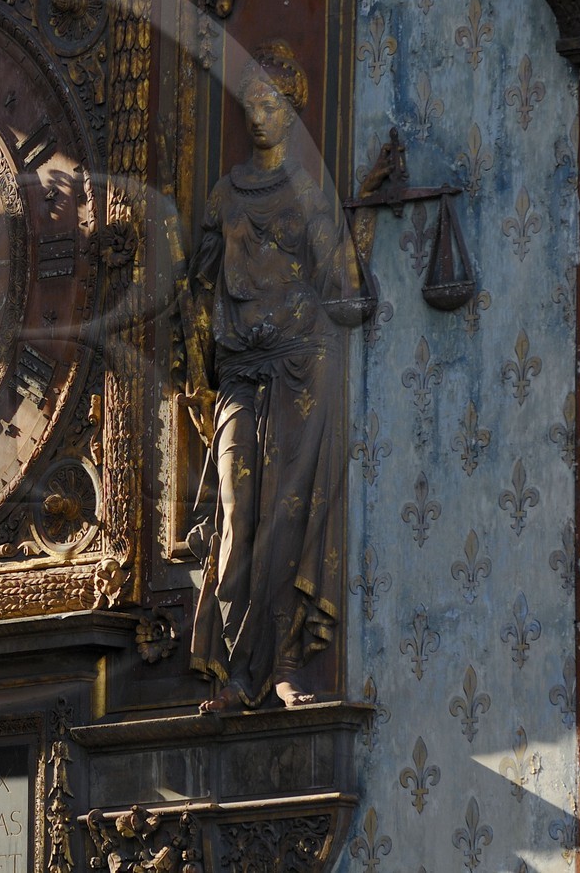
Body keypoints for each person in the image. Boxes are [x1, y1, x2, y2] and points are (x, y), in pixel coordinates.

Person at [185, 41, 376, 712]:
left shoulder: (308, 191)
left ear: (291, 114)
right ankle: (236, 663)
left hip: (304, 366)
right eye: (252, 105)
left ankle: (275, 667)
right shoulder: (225, 194)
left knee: (284, 527)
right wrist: (196, 365)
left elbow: (346, 292)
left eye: (270, 105)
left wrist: (367, 226)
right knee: (237, 519)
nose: (259, 116)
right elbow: (200, 289)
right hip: (240, 370)